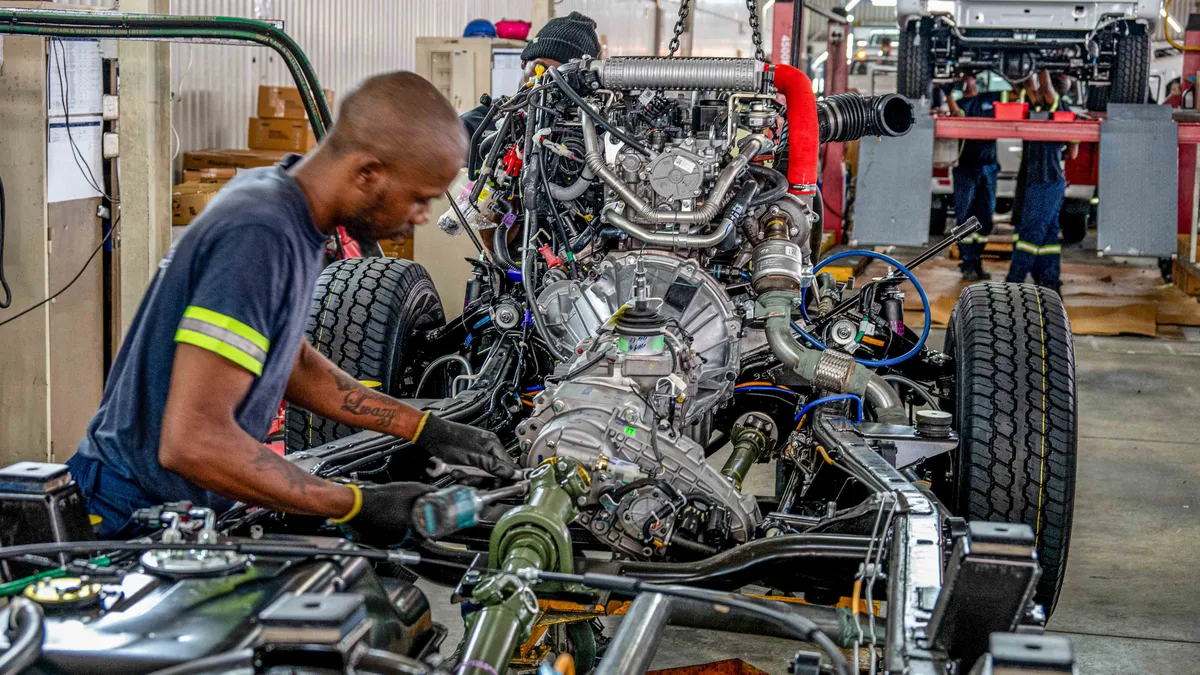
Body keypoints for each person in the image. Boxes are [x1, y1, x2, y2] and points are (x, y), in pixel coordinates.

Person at [66, 72, 521, 540]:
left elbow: (291, 362)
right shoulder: (261, 235)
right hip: (126, 515)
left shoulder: (285, 205)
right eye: (419, 198)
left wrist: (425, 428)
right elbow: (192, 442)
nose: (422, 217)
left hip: (178, 508)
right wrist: (354, 504)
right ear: (368, 173)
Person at [460, 11, 601, 142]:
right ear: (524, 61)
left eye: (561, 78)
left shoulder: (593, 137)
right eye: (540, 69)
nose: (546, 84)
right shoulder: (474, 126)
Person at [1006, 70, 1077, 294]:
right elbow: (1072, 153)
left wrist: (1038, 65)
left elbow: (1042, 90)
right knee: (1048, 235)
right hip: (1048, 180)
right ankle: (1048, 280)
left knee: (1031, 233)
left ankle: (1014, 281)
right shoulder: (1051, 108)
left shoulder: (1056, 105)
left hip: (1044, 180)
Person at [945, 74, 1003, 281]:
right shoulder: (959, 104)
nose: (969, 84)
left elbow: (1015, 93)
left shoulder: (991, 98)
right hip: (965, 169)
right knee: (964, 217)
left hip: (989, 168)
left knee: (985, 218)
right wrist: (948, 92)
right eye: (965, 82)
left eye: (971, 80)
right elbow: (956, 115)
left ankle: (976, 259)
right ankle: (967, 262)